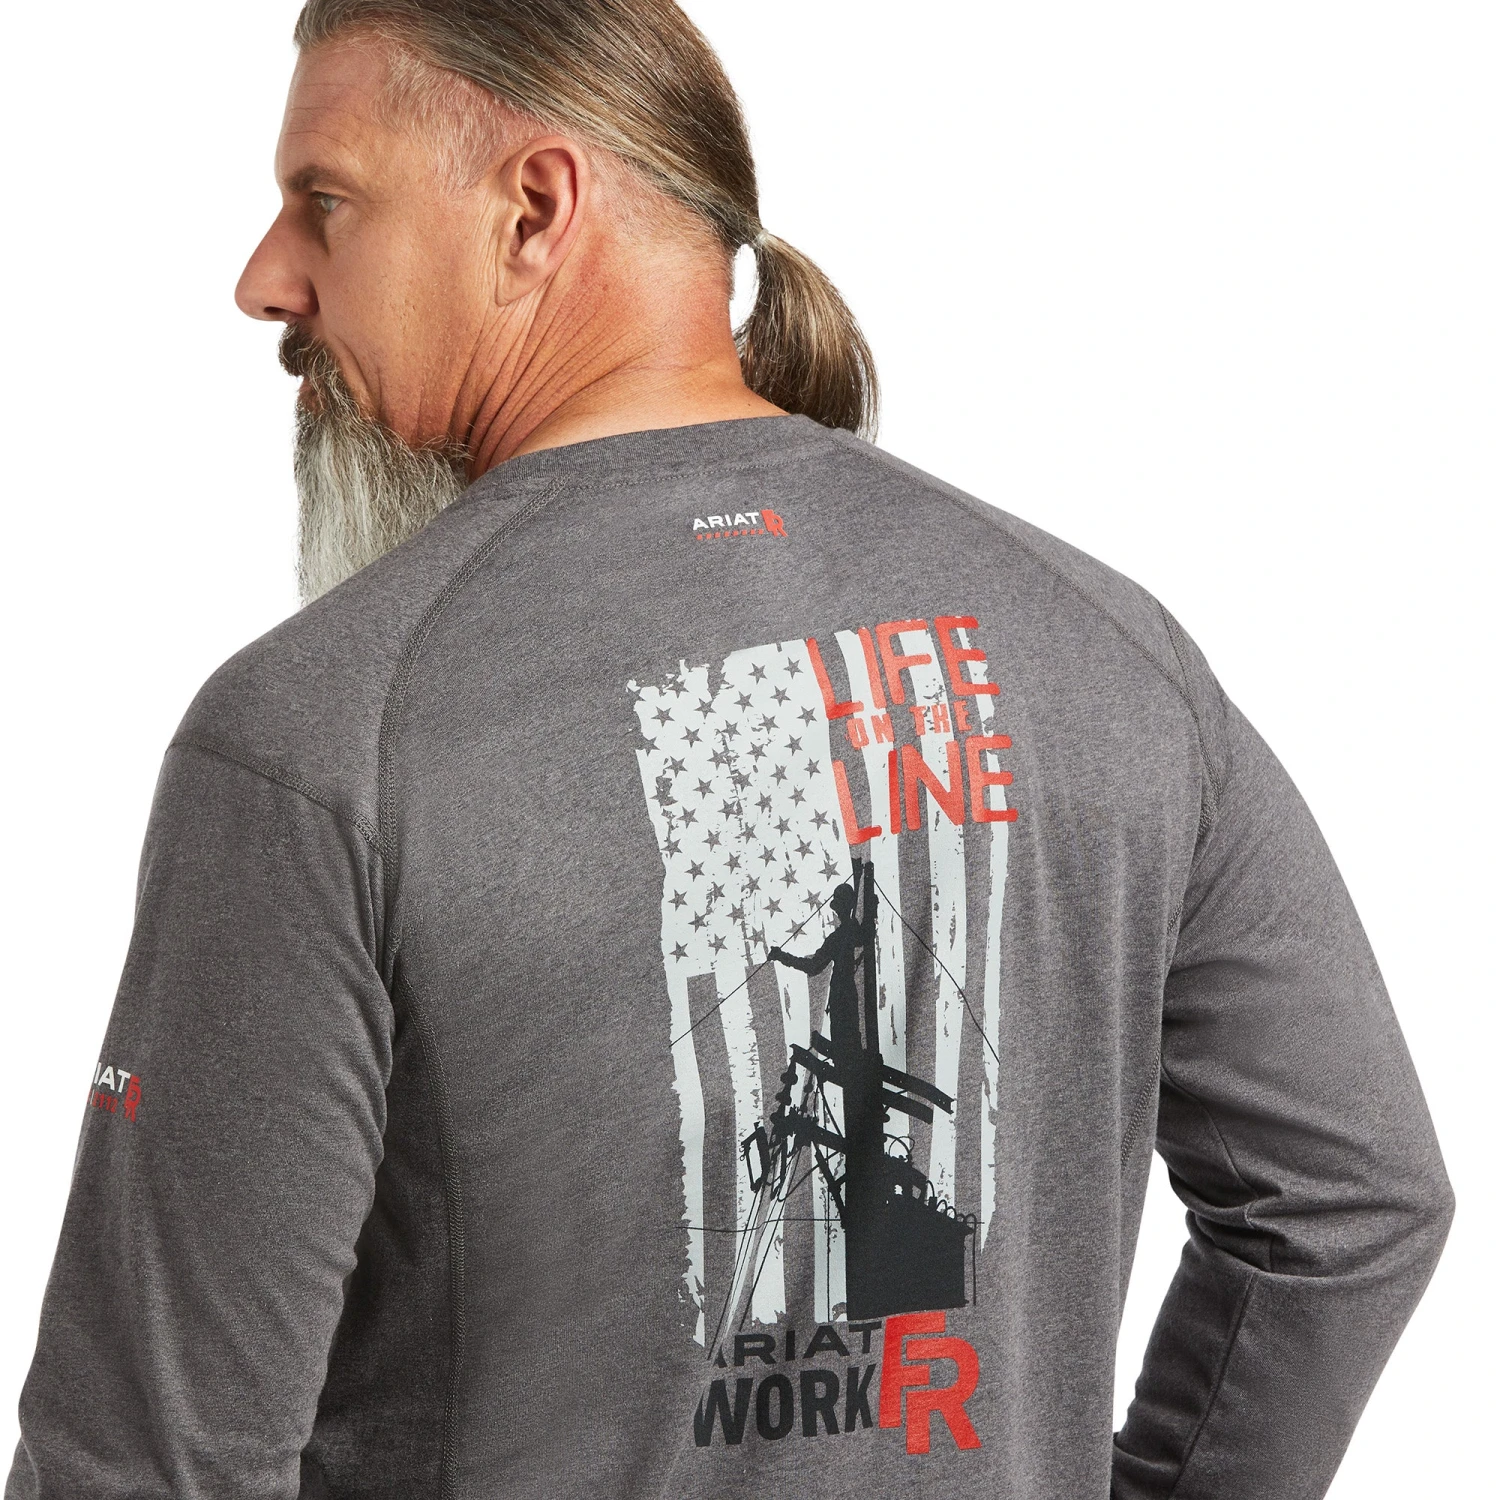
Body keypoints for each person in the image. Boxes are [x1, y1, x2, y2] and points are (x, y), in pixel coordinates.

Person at [6, 2, 1452, 1497]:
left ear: (531, 211)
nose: (266, 279)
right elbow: (1348, 1209)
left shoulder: (321, 738)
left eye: (325, 201)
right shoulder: (1106, 650)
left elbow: (142, 1467)